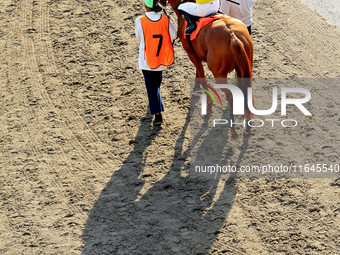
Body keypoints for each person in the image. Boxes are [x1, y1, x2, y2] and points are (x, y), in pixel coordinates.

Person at [135, 0, 178, 124]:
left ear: (146, 7)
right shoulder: (165, 19)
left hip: (147, 60)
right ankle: (155, 102)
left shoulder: (140, 20)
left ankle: (158, 114)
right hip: (161, 60)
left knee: (151, 87)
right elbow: (174, 35)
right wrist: (170, 21)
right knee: (156, 84)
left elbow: (138, 37)